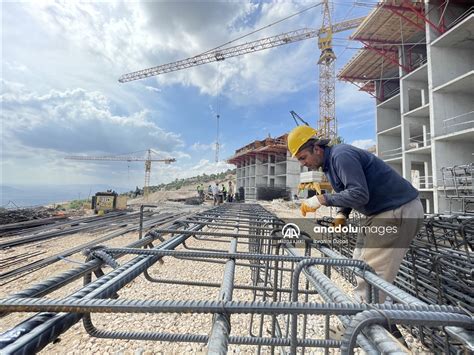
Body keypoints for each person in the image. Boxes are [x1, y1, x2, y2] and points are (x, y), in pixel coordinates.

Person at [287, 125, 424, 304]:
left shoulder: (341, 156)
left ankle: (365, 325)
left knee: (373, 272)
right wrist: (342, 214)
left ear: (317, 149)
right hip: (379, 212)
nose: (303, 163)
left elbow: (360, 193)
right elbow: (348, 190)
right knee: (359, 261)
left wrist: (321, 199)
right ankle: (382, 316)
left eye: (303, 157)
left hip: (397, 210)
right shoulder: (329, 165)